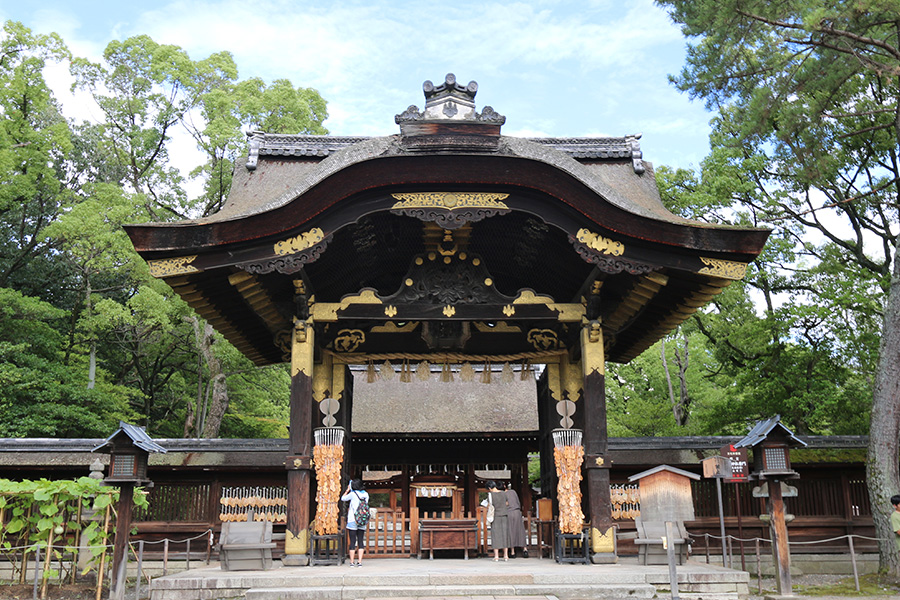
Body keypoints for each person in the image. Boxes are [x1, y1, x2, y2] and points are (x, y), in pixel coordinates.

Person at [341, 479, 369, 567]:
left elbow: (343, 498)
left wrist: (347, 490)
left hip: (353, 520)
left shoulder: (353, 494)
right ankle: (360, 562)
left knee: (352, 541)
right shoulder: (366, 494)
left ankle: (352, 562)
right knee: (360, 541)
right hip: (362, 520)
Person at [487, 480, 510, 561]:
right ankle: (506, 556)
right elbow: (507, 503)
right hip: (504, 515)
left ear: (490, 488)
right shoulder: (504, 493)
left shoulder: (490, 495)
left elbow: (489, 505)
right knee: (505, 535)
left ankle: (496, 556)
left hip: (495, 516)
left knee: (495, 535)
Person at [504, 482, 528, 558]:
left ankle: (513, 551)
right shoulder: (513, 492)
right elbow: (517, 502)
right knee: (520, 530)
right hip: (517, 512)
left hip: (509, 513)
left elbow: (505, 504)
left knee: (511, 531)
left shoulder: (503, 495)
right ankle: (525, 549)